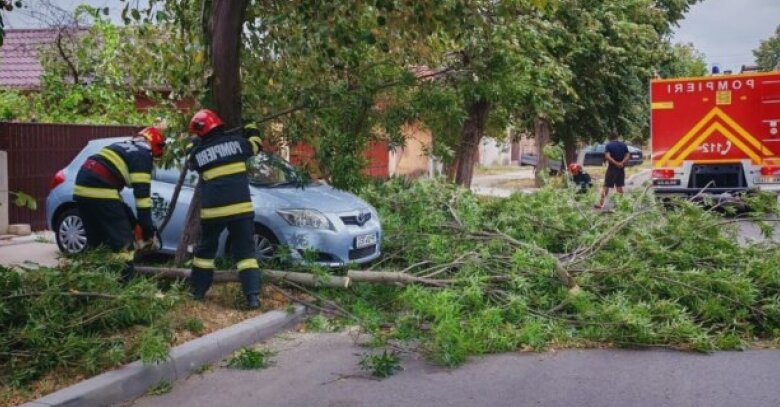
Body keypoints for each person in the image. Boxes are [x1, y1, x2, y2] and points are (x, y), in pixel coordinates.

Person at [186, 109, 264, 309]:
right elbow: (256, 146)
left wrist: (194, 144)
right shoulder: (238, 143)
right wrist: (251, 129)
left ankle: (198, 292)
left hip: (214, 212)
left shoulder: (200, 153)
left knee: (205, 252)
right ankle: (252, 297)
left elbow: (190, 161)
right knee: (246, 253)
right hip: (241, 210)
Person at [74, 126, 166, 281]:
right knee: (123, 245)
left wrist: (133, 221)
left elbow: (115, 198)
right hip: (100, 190)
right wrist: (147, 228)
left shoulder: (122, 146)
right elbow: (142, 198)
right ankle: (124, 284)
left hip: (81, 189)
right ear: (156, 145)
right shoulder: (143, 155)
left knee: (97, 243)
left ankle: (94, 281)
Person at [595, 136, 630, 209]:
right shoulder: (623, 145)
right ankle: (620, 204)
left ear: (610, 137)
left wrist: (616, 163)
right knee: (619, 186)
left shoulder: (609, 145)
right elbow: (627, 155)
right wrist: (622, 163)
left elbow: (607, 156)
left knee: (606, 186)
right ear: (617, 137)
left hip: (612, 169)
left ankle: (601, 204)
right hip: (621, 168)